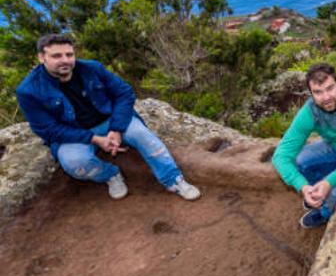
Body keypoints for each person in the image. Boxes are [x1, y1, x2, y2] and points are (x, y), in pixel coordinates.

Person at [16, 34, 200, 201]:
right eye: (57, 56)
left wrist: (116, 129)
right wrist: (95, 139)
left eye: (69, 54)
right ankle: (110, 175)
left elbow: (124, 93)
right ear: (42, 57)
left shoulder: (92, 68)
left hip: (111, 120)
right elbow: (47, 130)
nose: (65, 60)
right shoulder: (29, 91)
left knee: (144, 137)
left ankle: (173, 180)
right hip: (73, 134)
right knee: (75, 164)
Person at [272, 63, 336, 228]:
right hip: (334, 147)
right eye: (318, 92)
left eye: (330, 88)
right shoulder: (311, 111)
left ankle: (324, 211)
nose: (326, 97)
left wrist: (329, 183)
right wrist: (303, 187)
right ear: (310, 94)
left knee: (333, 192)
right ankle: (315, 194)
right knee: (300, 161)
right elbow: (281, 156)